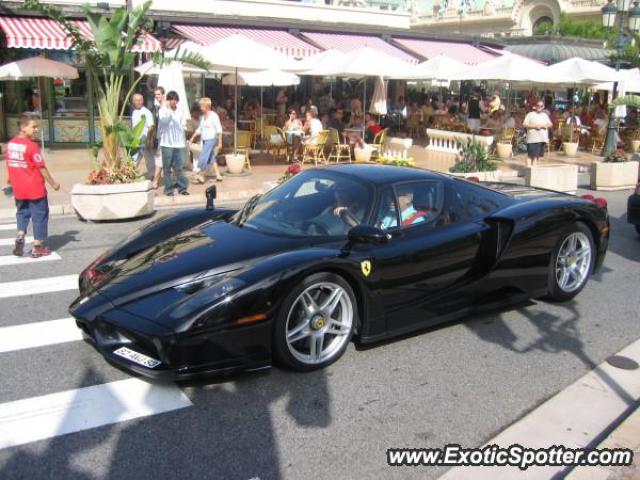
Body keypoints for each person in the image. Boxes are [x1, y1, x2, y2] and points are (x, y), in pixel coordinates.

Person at [5, 113, 60, 257]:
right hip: (35, 189)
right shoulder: (32, 146)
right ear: (23, 128)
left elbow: (9, 164)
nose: (36, 130)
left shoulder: (11, 144)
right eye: (33, 127)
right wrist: (53, 184)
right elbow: (41, 167)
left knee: (22, 213)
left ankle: (20, 234)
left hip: (19, 188)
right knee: (39, 215)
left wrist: (9, 180)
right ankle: (38, 247)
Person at [158, 90, 189, 196]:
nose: (173, 101)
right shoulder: (163, 110)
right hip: (167, 143)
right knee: (167, 168)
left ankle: (182, 188)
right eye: (171, 99)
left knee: (179, 167)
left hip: (179, 143)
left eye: (175, 99)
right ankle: (169, 189)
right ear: (168, 100)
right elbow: (164, 121)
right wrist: (168, 110)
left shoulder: (180, 110)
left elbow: (183, 124)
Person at [189, 97, 223, 184]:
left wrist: (220, 142)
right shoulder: (203, 117)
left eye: (201, 106)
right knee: (211, 158)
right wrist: (192, 137)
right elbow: (200, 129)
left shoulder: (214, 116)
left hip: (211, 140)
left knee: (203, 157)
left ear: (206, 106)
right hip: (204, 140)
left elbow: (219, 129)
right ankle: (218, 175)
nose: (200, 108)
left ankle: (201, 175)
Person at [130, 93, 154, 179]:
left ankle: (152, 176)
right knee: (133, 159)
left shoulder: (147, 112)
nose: (138, 102)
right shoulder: (134, 112)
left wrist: (148, 140)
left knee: (149, 160)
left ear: (143, 101)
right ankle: (130, 175)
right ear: (133, 101)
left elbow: (151, 127)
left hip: (145, 140)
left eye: (140, 100)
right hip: (135, 141)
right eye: (136, 100)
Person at [523, 101, 552, 166]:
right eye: (538, 105)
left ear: (543, 107)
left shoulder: (545, 115)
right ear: (535, 106)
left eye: (541, 106)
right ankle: (528, 170)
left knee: (536, 157)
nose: (539, 107)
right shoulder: (530, 114)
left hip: (541, 139)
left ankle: (534, 171)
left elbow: (550, 124)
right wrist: (535, 126)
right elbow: (524, 124)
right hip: (532, 139)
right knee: (530, 156)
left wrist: (545, 126)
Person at [150, 86, 165, 189]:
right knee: (159, 160)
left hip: (166, 138)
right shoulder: (157, 107)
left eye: (158, 94)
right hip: (160, 137)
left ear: (163, 94)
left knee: (160, 160)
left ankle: (155, 181)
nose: (157, 96)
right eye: (155, 95)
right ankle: (155, 181)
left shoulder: (165, 107)